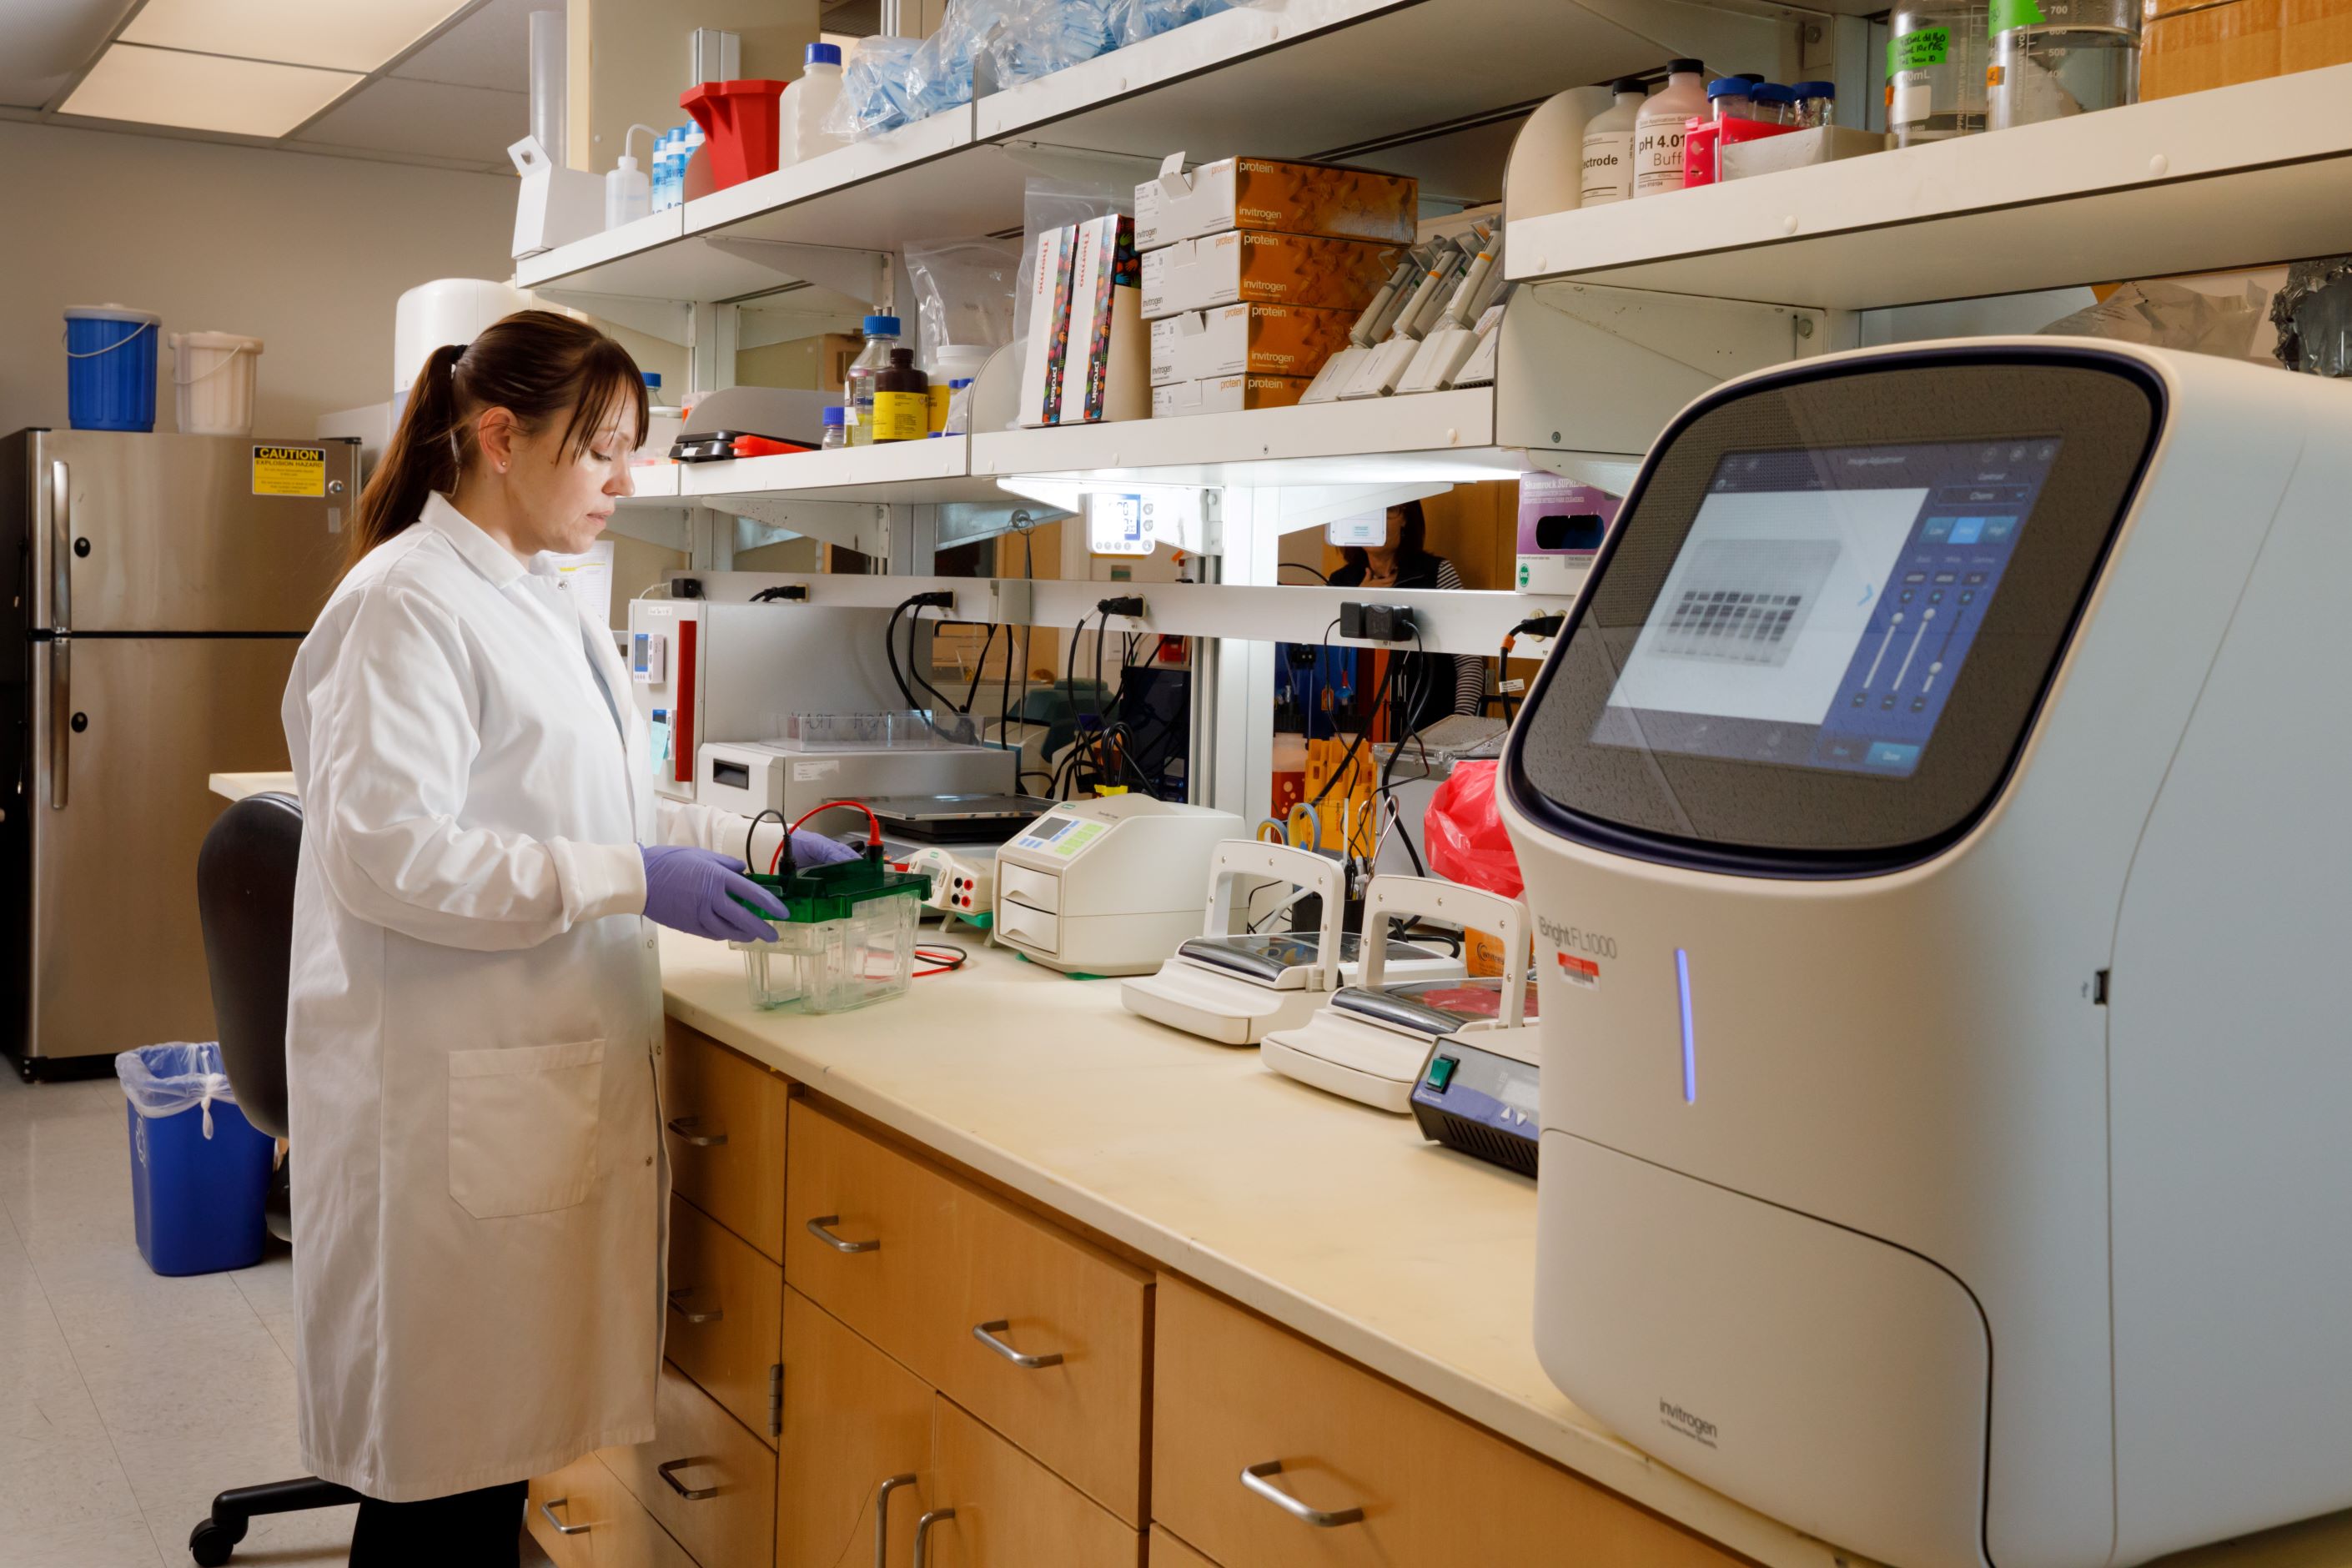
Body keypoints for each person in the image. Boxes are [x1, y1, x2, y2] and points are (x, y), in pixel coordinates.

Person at [279, 311, 855, 1565]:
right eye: (601, 451)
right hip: (442, 1099)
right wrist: (628, 880)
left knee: (483, 1471)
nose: (624, 482)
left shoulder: (545, 602)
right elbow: (391, 855)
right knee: (438, 1487)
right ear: (499, 437)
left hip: (520, 1079)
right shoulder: (406, 606)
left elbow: (611, 799)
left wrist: (752, 840)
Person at [1325, 500, 1487, 734]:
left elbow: (1469, 661)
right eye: (1369, 511)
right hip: (1350, 732)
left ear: (1406, 518)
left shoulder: (1436, 573)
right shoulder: (1338, 582)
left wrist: (1459, 728)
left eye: (1389, 509)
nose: (1377, 521)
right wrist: (1359, 599)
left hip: (1427, 733)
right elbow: (1327, 659)